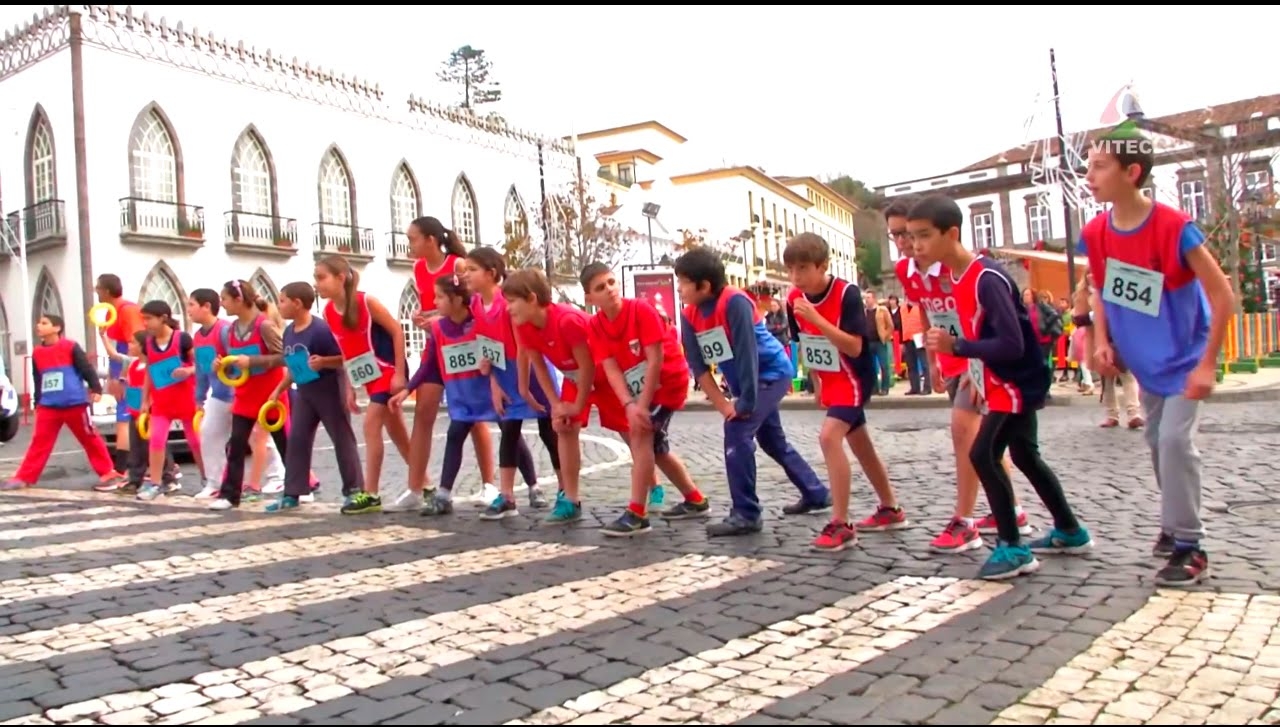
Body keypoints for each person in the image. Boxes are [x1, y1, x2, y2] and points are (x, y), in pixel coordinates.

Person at [910, 194, 1092, 581]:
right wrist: (975, 372)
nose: (916, 246)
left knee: (983, 454)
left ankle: (1012, 546)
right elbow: (986, 335)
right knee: (1024, 455)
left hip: (1015, 381)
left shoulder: (985, 278)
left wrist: (957, 346)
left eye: (924, 236)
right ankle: (1070, 530)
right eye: (912, 237)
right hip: (1003, 380)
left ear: (952, 233)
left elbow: (1012, 343)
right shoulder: (960, 278)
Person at [1079, 125, 1232, 587]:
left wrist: (1208, 364)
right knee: (1155, 443)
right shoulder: (1097, 232)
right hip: (1145, 361)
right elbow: (1101, 289)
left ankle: (1190, 544)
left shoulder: (1174, 227)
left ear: (1132, 172)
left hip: (1186, 357)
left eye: (1099, 165)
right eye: (1088, 164)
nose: (1089, 175)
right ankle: (1174, 522)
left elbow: (1222, 294)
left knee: (1174, 443)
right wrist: (1102, 341)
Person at [887, 196, 1029, 553]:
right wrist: (934, 359)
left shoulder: (953, 266)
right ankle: (1009, 509)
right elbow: (925, 307)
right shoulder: (906, 270)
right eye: (897, 237)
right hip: (951, 359)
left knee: (963, 431)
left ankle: (965, 521)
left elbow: (978, 317)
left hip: (977, 359)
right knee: (984, 440)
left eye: (910, 235)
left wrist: (975, 364)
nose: (906, 245)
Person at [675, 246, 831, 536]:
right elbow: (697, 365)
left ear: (704, 285)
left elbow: (748, 353)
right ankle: (816, 492)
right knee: (772, 441)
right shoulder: (689, 315)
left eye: (683, 282)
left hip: (771, 374)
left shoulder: (734, 302)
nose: (680, 289)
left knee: (737, 433)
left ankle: (746, 512)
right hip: (745, 382)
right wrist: (723, 403)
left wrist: (744, 402)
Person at [783, 233, 906, 551]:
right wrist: (817, 382)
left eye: (802, 269)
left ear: (822, 266)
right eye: (791, 270)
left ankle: (841, 522)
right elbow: (805, 344)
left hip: (855, 376)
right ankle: (890, 507)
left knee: (828, 438)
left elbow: (854, 346)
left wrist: (817, 319)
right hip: (831, 378)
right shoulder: (793, 298)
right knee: (860, 444)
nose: (796, 277)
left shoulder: (847, 294)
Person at [581, 262, 709, 536]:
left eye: (612, 282)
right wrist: (628, 403)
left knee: (640, 437)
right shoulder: (595, 325)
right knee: (658, 450)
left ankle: (637, 514)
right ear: (590, 298)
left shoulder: (640, 309)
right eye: (601, 287)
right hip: (641, 390)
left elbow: (655, 359)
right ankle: (695, 499)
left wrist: (640, 406)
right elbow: (610, 366)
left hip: (667, 382)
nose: (610, 290)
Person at [404, 216, 497, 506]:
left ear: (430, 240)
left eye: (413, 239)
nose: (410, 244)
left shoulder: (457, 265)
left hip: (463, 344)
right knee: (423, 412)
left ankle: (489, 484)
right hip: (436, 346)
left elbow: (468, 305)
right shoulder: (418, 268)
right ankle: (416, 486)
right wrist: (421, 317)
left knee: (474, 413)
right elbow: (430, 304)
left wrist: (432, 317)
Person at [463, 247, 558, 518]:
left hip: (529, 370)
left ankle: (566, 491)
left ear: (491, 273)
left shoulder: (508, 304)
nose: (466, 275)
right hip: (505, 373)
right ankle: (506, 497)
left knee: (549, 432)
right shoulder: (476, 306)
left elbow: (524, 345)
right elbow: (487, 346)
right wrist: (493, 381)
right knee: (509, 431)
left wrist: (524, 386)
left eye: (472, 270)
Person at [403, 273, 509, 516]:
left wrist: (500, 382)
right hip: (461, 400)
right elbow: (428, 364)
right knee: (454, 437)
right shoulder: (439, 328)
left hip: (489, 395)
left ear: (457, 299)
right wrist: (407, 390)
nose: (435, 303)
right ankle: (443, 494)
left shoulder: (479, 321)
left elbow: (496, 349)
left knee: (512, 437)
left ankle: (528, 488)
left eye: (440, 297)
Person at [504, 268, 602, 524]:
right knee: (564, 428)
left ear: (532, 299)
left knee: (631, 432)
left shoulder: (567, 320)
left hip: (603, 372)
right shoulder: (525, 326)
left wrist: (578, 404)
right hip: (574, 376)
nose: (508, 308)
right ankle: (570, 499)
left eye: (512, 301)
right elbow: (538, 365)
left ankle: (651, 488)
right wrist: (556, 405)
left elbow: (589, 365)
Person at [315, 255, 410, 514]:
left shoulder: (366, 302)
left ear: (340, 278)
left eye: (321, 277)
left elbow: (396, 331)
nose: (317, 284)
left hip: (386, 371)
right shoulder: (327, 313)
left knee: (370, 426)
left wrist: (399, 374)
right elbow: (348, 353)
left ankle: (371, 493)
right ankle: (423, 484)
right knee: (398, 433)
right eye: (316, 278)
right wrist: (350, 388)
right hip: (367, 377)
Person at [265, 281, 365, 512]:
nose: (278, 306)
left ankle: (354, 490)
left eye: (282, 300)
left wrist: (324, 362)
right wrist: (279, 390)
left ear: (297, 303)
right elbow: (293, 365)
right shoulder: (289, 332)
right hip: (304, 392)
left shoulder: (321, 329)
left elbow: (345, 356)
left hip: (329, 389)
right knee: (297, 441)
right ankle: (293, 493)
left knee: (342, 438)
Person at [3, 315, 120, 489]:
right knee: (39, 441)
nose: (39, 326)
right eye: (39, 322)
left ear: (57, 328)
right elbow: (38, 378)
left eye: (44, 323)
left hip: (75, 403)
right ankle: (25, 477)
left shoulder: (70, 347)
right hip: (49, 405)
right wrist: (38, 401)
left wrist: (96, 388)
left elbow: (86, 368)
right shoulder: (37, 352)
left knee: (89, 437)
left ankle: (108, 472)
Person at [208, 280, 288, 511]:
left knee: (284, 443)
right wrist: (219, 365)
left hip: (270, 396)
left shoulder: (264, 326)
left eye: (224, 299)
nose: (221, 305)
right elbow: (227, 361)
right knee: (236, 445)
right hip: (244, 395)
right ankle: (229, 494)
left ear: (238, 300)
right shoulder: (229, 330)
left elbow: (283, 355)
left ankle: (298, 488)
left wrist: (252, 361)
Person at [137, 299, 203, 500]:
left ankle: (208, 479)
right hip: (162, 401)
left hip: (186, 399)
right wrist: (144, 400)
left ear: (163, 318)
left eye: (148, 319)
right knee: (156, 440)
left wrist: (188, 371)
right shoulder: (148, 343)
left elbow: (201, 365)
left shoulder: (182, 339)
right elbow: (148, 371)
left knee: (195, 441)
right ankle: (155, 484)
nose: (145, 323)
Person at [103, 331, 178, 497]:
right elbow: (114, 355)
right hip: (134, 412)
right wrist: (103, 336)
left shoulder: (153, 365)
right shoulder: (132, 363)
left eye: (133, 343)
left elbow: (159, 387)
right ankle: (135, 479)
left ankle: (168, 478)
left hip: (151, 413)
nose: (129, 346)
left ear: (143, 346)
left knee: (156, 445)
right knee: (136, 447)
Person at [92, 274, 145, 486]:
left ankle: (122, 469)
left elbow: (135, 346)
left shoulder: (127, 310)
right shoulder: (115, 313)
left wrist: (124, 377)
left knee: (126, 419)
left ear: (106, 290)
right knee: (125, 418)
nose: (96, 292)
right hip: (121, 369)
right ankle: (132, 467)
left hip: (128, 373)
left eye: (98, 288)